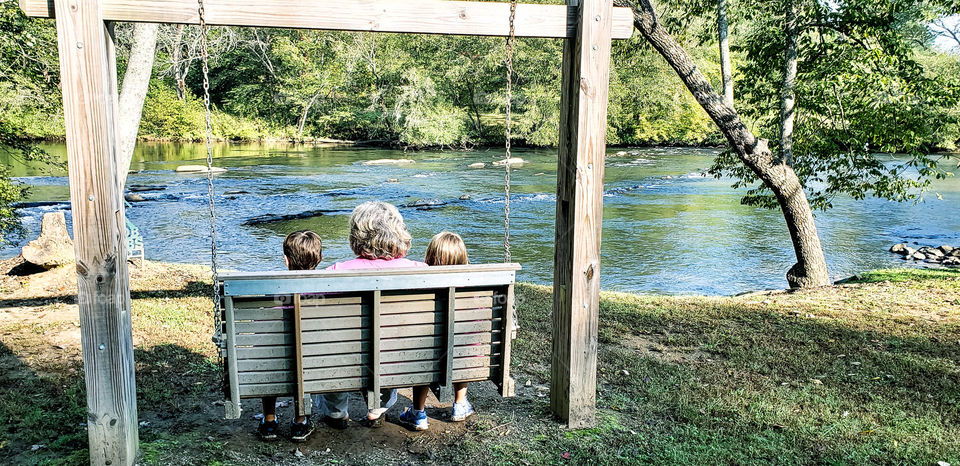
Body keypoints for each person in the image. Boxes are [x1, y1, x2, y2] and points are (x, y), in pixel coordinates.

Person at [322, 201, 427, 428]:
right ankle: (378, 406)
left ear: (357, 235)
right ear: (399, 231)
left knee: (331, 346)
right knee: (386, 342)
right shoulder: (422, 272)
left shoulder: (335, 273)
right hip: (399, 353)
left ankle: (336, 412)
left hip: (345, 356)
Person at [398, 231, 473, 431]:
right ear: (463, 258)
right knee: (461, 345)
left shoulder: (421, 285)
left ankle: (418, 412)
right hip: (462, 352)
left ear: (430, 256)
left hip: (427, 352)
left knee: (424, 355)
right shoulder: (472, 287)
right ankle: (460, 404)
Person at [258, 230, 324, 442]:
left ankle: (269, 420)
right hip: (316, 359)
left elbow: (263, 329)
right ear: (320, 258)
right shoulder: (326, 290)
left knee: (270, 355)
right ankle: (300, 421)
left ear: (286, 260)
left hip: (276, 361)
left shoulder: (275, 291)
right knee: (304, 359)